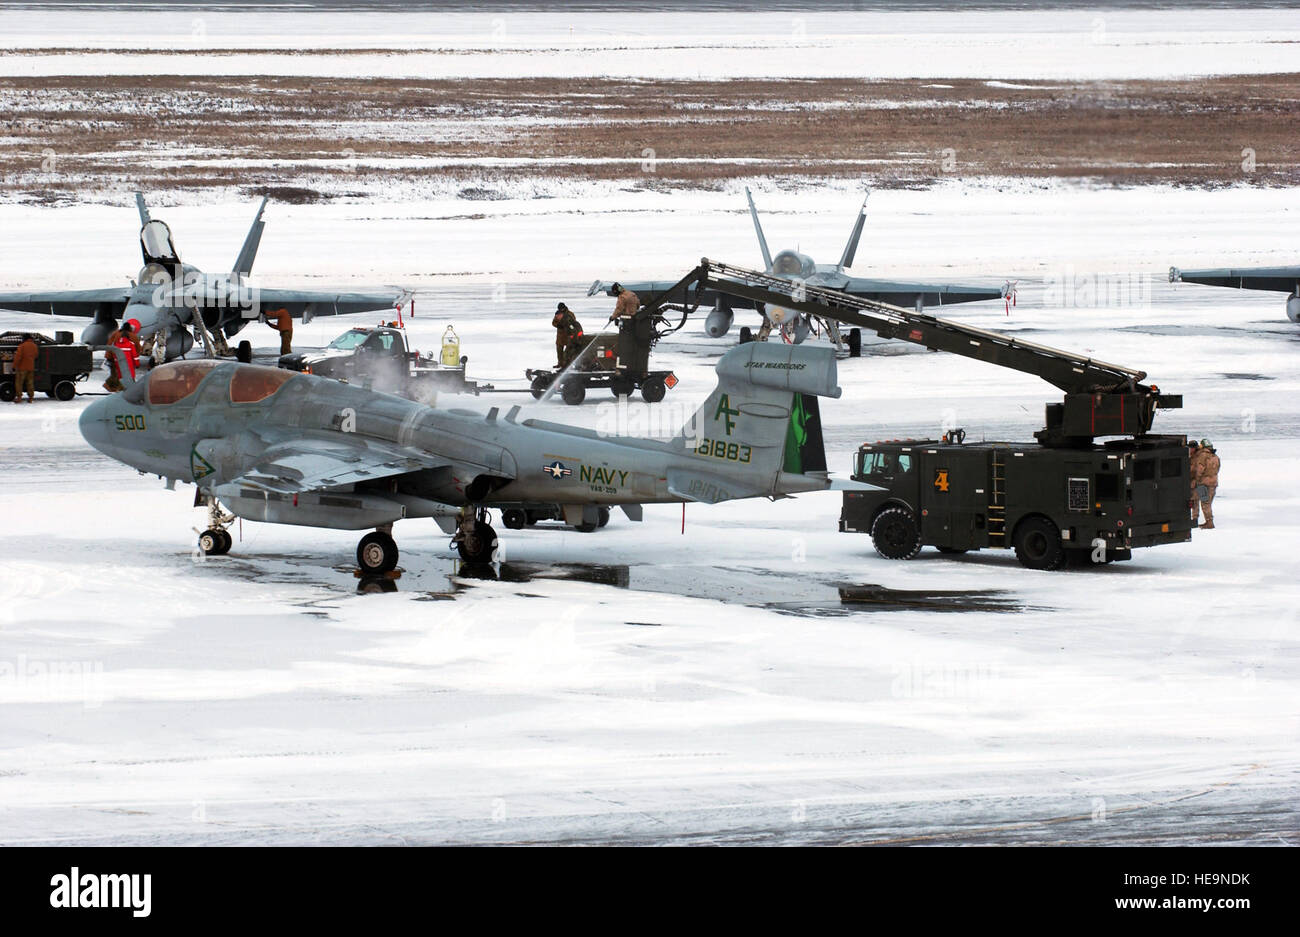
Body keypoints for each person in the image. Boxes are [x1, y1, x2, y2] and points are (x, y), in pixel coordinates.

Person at [609, 282, 650, 378]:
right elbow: (638, 305)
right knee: (637, 348)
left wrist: (613, 317)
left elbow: (619, 309)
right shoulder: (632, 294)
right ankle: (641, 370)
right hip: (637, 324)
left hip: (627, 324)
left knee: (623, 347)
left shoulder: (622, 297)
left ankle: (620, 369)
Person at [1194, 438, 1220, 529]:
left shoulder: (1202, 456)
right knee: (1208, 503)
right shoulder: (1215, 456)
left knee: (1205, 503)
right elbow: (1218, 469)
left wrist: (1197, 479)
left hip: (1204, 483)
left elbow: (1200, 470)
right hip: (1214, 483)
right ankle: (1209, 521)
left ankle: (1209, 523)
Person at [552, 302, 585, 369]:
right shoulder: (557, 314)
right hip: (560, 335)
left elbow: (573, 325)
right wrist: (558, 325)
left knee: (568, 352)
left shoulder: (570, 314)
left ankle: (567, 365)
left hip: (569, 335)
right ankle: (560, 363)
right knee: (559, 350)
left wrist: (572, 334)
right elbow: (554, 322)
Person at [11, 333, 38, 403]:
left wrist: (14, 366)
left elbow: (18, 357)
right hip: (31, 367)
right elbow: (36, 355)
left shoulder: (22, 346)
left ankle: (19, 398)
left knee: (19, 383)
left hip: (22, 368)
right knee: (30, 383)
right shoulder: (34, 346)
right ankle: (31, 398)